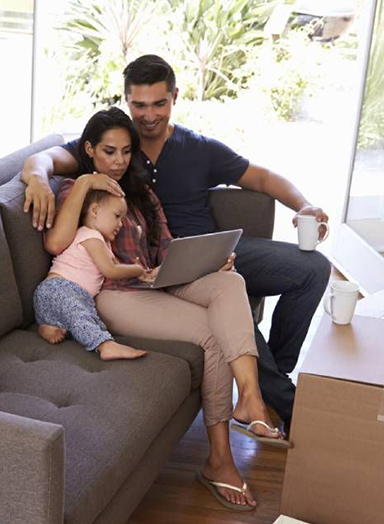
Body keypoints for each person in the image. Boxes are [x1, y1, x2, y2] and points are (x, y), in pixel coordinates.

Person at [22, 54, 332, 433]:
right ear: (126, 102)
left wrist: (304, 205)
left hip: (210, 253)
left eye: (159, 104)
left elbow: (263, 178)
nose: (149, 115)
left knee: (314, 268)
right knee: (224, 306)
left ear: (174, 98)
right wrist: (37, 178)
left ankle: (273, 378)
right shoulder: (116, 146)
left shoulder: (196, 148)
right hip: (163, 267)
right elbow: (44, 158)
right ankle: (285, 401)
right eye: (139, 105)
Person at [42, 107, 287, 510]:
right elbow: (56, 243)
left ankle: (250, 398)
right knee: (211, 332)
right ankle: (220, 460)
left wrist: (205, 261)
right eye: (108, 152)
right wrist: (87, 179)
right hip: (116, 293)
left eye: (125, 151)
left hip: (158, 278)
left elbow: (166, 247)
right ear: (89, 150)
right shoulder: (78, 189)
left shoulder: (141, 192)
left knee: (231, 282)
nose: (118, 161)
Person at [34, 188, 150, 360]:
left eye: (123, 219)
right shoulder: (91, 236)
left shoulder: (101, 244)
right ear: (95, 210)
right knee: (81, 314)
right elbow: (110, 270)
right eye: (117, 216)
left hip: (51, 298)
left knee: (90, 319)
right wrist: (137, 269)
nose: (121, 224)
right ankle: (104, 345)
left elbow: (117, 267)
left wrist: (143, 275)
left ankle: (47, 325)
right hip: (60, 289)